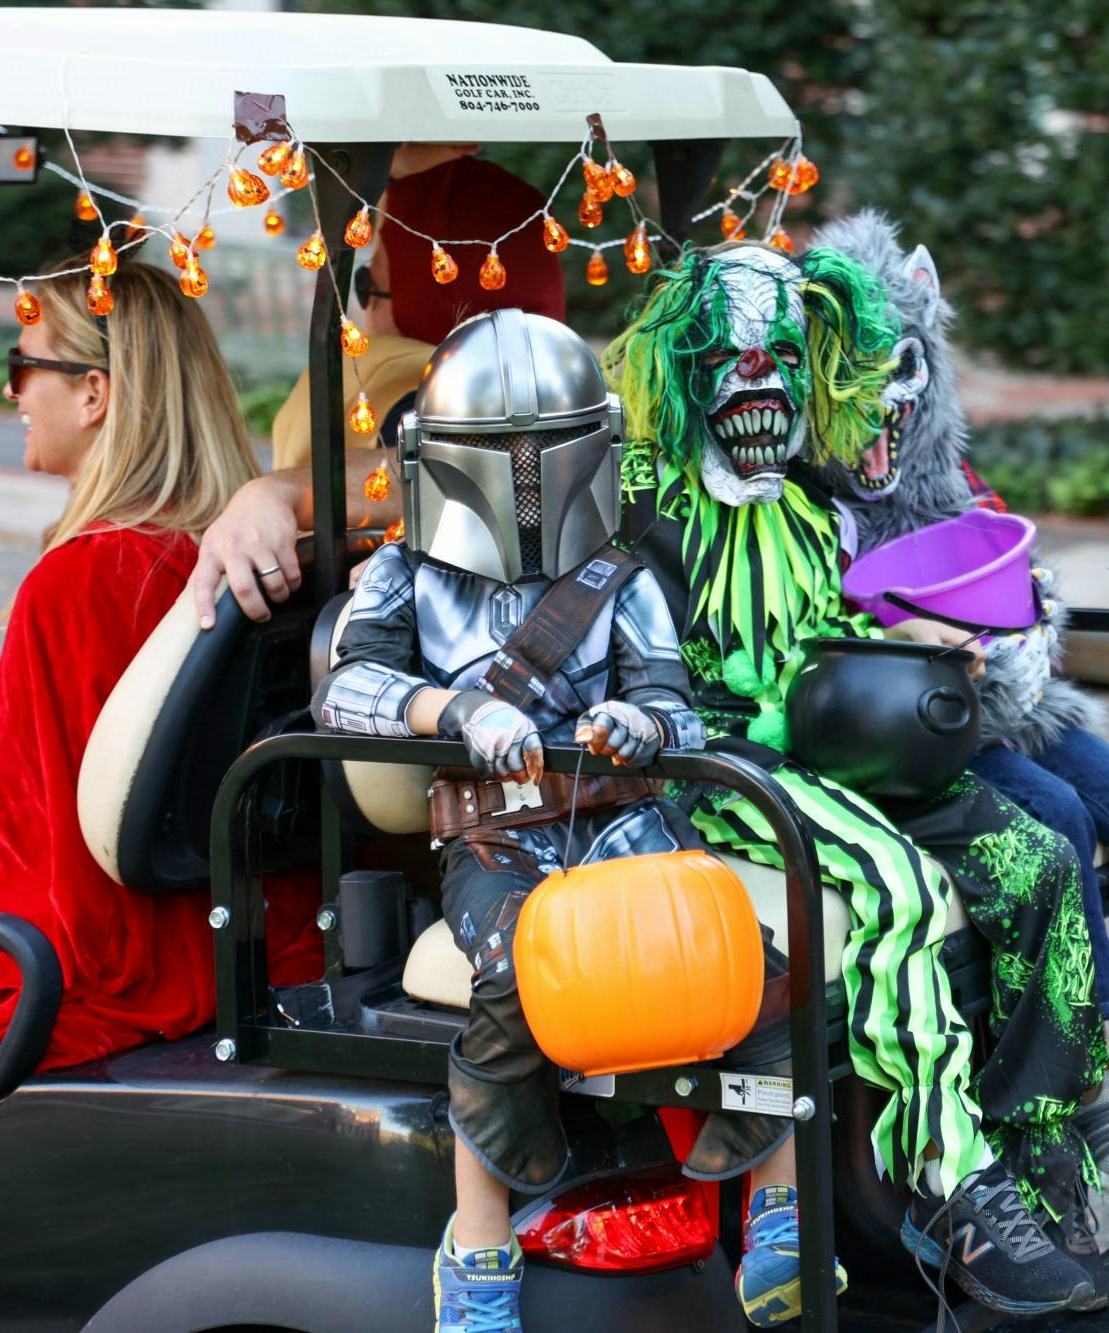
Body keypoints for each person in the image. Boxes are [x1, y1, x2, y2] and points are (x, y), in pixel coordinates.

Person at [607, 241, 1107, 1316]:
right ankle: (954, 1187)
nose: (764, 383)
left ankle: (1033, 1149)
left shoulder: (801, 506)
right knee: (899, 886)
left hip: (830, 755)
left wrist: (923, 641)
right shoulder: (643, 495)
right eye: (733, 359)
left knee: (1039, 865)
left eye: (783, 357)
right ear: (686, 370)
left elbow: (828, 634)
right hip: (714, 774)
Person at [309, 308, 832, 1331]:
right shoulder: (402, 572)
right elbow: (346, 687)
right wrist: (455, 710)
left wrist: (639, 720)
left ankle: (777, 1210)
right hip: (495, 832)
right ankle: (479, 1246)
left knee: (758, 965)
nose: (528, 480)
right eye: (503, 456)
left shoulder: (621, 574)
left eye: (549, 454)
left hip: (622, 817)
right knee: (518, 975)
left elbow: (675, 701)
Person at [811, 209, 1109, 1216]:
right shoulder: (803, 501)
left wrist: (1022, 621)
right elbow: (808, 637)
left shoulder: (937, 472)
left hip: (1006, 698)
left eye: (903, 375)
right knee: (1058, 826)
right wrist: (909, 643)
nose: (883, 416)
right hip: (912, 723)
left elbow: (1003, 560)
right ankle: (1092, 1086)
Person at [0, 258, 322, 1149]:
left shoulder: (79, 579)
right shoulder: (224, 550)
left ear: (94, 394)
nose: (11, 393)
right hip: (236, 923)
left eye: (22, 365)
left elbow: (17, 833)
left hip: (104, 944)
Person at [267, 148, 567, 471]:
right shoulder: (568, 398)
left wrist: (280, 492)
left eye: (366, 285)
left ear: (416, 307)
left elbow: (430, 474)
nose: (363, 315)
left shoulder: (398, 403)